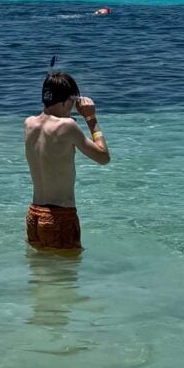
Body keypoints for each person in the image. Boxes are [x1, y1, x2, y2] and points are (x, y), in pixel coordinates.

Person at [24, 70, 110, 253]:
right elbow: (103, 157)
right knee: (65, 279)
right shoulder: (68, 127)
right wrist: (91, 119)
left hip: (34, 216)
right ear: (66, 101)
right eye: (74, 102)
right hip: (60, 217)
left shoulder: (29, 124)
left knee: (41, 274)